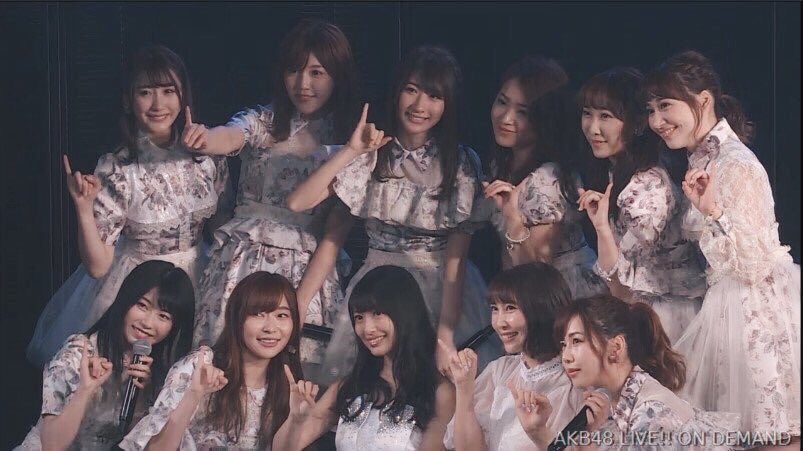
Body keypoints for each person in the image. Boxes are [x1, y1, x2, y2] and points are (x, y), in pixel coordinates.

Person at [287, 45, 499, 378]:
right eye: (411, 90)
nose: (419, 106)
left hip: (439, 291)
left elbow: (456, 260)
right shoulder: (371, 153)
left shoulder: (460, 163)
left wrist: (445, 334)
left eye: (434, 96)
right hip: (378, 286)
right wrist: (353, 150)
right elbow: (302, 206)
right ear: (396, 92)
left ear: (448, 104)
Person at [27, 45, 227, 368]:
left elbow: (221, 224)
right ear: (128, 100)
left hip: (198, 278)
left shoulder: (208, 155)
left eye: (168, 91)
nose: (158, 104)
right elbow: (98, 267)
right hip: (138, 285)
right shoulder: (118, 167)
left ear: (183, 96)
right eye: (145, 92)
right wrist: (83, 208)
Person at [182, 19, 359, 376]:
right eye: (294, 70)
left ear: (338, 76)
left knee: (295, 374)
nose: (303, 84)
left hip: (307, 272)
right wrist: (205, 138)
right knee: (225, 367)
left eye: (316, 72)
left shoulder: (350, 141)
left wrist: (298, 303)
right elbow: (231, 136)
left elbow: (334, 236)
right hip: (242, 262)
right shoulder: (265, 121)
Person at [646, 50, 800, 445]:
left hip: (754, 311)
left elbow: (755, 264)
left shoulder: (735, 162)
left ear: (703, 100)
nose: (657, 121)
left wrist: (714, 212)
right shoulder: (702, 157)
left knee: (768, 433)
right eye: (651, 110)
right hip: (727, 302)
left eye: (666, 106)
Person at [576, 67, 706, 342]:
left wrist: (602, 229)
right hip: (643, 310)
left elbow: (620, 287)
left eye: (606, 116)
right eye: (588, 113)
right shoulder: (616, 172)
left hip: (664, 318)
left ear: (636, 124)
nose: (593, 128)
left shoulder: (646, 187)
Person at [272, 265, 455, 451]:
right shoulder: (349, 386)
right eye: (359, 317)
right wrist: (295, 420)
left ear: (405, 313)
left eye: (377, 314)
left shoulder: (438, 392)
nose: (367, 329)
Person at [18, 260, 195, 450]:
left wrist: (142, 396)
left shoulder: (159, 372)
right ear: (125, 300)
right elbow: (51, 444)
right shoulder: (79, 353)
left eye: (163, 316)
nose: (147, 323)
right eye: (142, 305)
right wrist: (85, 390)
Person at [120, 271, 302, 450]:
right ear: (236, 318)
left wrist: (299, 424)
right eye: (258, 314)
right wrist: (194, 394)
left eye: (282, 315)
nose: (271, 328)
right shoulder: (201, 364)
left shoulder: (289, 384)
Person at [479, 56, 607, 298]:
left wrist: (512, 218)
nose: (506, 118)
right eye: (502, 102)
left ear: (545, 118)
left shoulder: (547, 179)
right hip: (525, 291)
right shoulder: (502, 165)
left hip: (561, 295)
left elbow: (536, 270)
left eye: (522, 112)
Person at [442, 262, 584, 450]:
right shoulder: (499, 371)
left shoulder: (576, 381)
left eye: (510, 308)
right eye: (495, 309)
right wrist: (464, 389)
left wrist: (539, 433)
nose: (500, 323)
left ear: (541, 309)